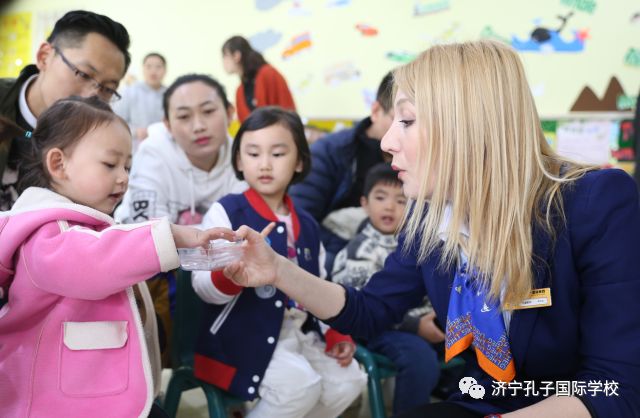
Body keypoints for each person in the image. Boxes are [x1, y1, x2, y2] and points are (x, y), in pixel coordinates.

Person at [221, 41, 640, 418]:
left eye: (405, 120)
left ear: (466, 126)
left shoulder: (595, 204)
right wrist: (277, 269)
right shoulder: (429, 219)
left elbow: (617, 388)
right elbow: (369, 311)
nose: (386, 142)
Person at [0, 96, 235, 418]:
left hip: (88, 392)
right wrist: (174, 234)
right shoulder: (45, 233)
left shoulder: (82, 225)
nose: (124, 177)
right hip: (52, 402)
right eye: (110, 165)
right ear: (58, 164)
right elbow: (93, 262)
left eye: (127, 166)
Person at [191, 106, 366, 418]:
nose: (265, 164)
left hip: (299, 332)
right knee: (298, 387)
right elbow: (203, 287)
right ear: (239, 161)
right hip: (242, 334)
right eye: (254, 153)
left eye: (278, 153)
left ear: (299, 160)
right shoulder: (227, 212)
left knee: (350, 380)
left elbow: (320, 288)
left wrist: (335, 332)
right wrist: (228, 276)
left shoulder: (309, 225)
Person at [115, 74, 246, 365]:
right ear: (168, 125)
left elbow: (244, 234)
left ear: (229, 112)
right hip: (160, 267)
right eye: (184, 116)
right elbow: (148, 233)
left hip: (217, 265)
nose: (198, 125)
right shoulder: (153, 153)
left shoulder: (243, 156)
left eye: (209, 111)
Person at [332, 162, 442, 415]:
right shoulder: (358, 251)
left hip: (422, 325)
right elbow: (362, 308)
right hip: (375, 330)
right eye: (380, 197)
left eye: (401, 200)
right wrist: (416, 326)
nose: (390, 206)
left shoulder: (419, 242)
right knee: (419, 359)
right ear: (364, 203)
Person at [0, 10, 131, 210]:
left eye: (108, 88)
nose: (91, 96)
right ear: (44, 56)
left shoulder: (103, 140)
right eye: (84, 74)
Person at [289, 72, 395, 275]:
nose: (410, 130)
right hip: (336, 257)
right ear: (376, 110)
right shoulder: (331, 151)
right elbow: (301, 221)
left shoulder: (424, 158)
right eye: (402, 119)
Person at [222, 36, 296, 122]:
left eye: (225, 55)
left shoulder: (268, 73)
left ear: (236, 56)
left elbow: (287, 111)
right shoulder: (239, 91)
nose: (223, 61)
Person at [113, 52, 167, 151]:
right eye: (149, 66)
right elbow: (116, 119)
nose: (153, 71)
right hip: (135, 148)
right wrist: (135, 131)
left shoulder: (169, 95)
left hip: (163, 147)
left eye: (158, 67)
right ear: (143, 69)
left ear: (165, 70)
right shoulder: (129, 91)